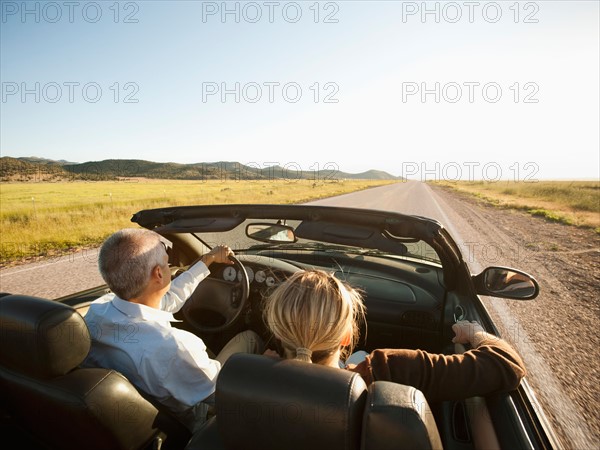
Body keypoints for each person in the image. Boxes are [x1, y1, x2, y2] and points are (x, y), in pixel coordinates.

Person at [83, 228, 263, 432]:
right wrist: (267, 362)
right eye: (167, 262)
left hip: (148, 414)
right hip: (198, 420)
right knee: (250, 338)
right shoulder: (175, 347)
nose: (170, 266)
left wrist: (206, 261)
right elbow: (221, 391)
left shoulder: (98, 310)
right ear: (159, 273)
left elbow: (166, 300)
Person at [263, 270, 526, 403]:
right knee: (360, 356)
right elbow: (507, 364)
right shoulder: (385, 371)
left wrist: (265, 365)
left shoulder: (250, 377)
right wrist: (474, 332)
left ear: (277, 331)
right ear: (345, 337)